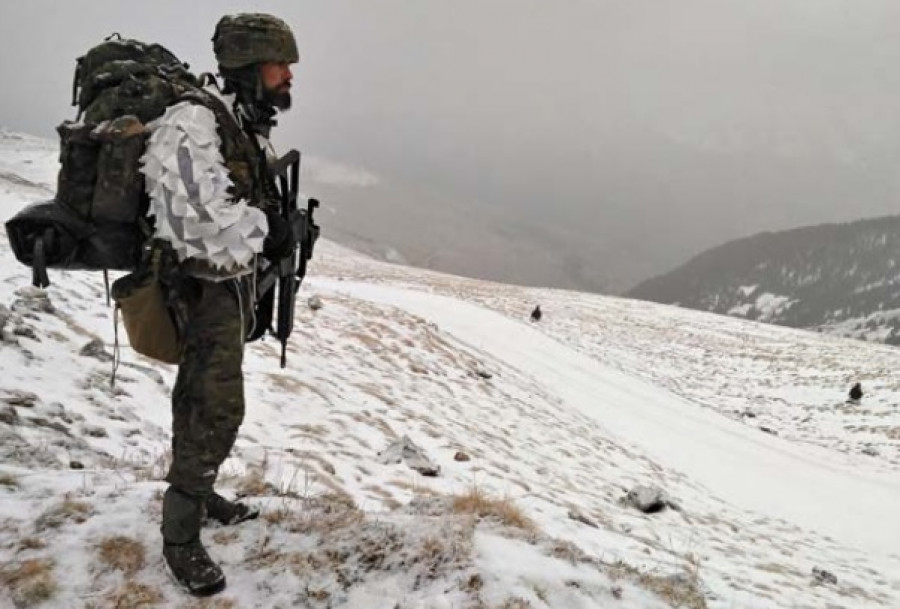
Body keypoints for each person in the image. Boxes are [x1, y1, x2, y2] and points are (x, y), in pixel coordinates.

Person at [139, 13, 300, 596]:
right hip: (200, 290)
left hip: (226, 289)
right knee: (216, 408)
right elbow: (196, 223)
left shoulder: (238, 122)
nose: (288, 76)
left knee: (201, 400)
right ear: (248, 65)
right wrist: (269, 231)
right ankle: (180, 538)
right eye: (280, 65)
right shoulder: (191, 122)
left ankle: (201, 497)